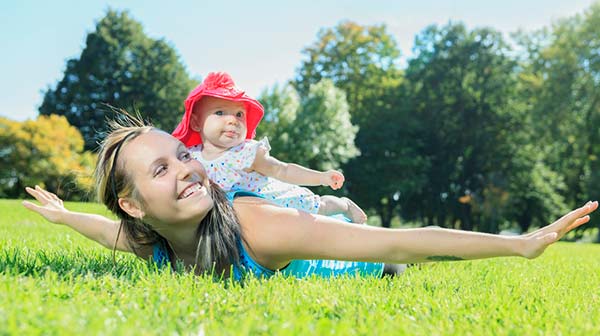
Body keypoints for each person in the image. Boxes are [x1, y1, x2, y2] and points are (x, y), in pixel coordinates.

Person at [22, 116, 598, 280]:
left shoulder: (254, 227)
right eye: (161, 169)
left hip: (368, 265)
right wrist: (64, 216)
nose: (188, 168)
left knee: (383, 252)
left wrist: (518, 244)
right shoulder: (156, 244)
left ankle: (339, 204)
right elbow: (106, 233)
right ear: (134, 205)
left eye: (183, 153)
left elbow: (401, 241)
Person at [171, 72, 367, 223]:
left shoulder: (246, 153)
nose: (233, 120)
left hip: (279, 203)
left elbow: (283, 169)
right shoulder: (191, 157)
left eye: (239, 114)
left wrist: (322, 177)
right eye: (220, 112)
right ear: (196, 123)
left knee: (320, 207)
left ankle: (343, 205)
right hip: (243, 218)